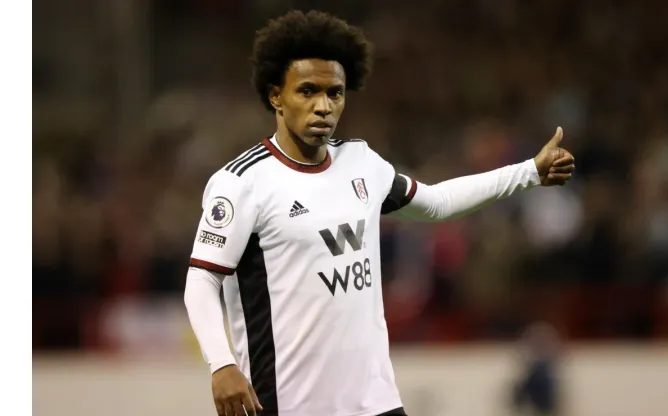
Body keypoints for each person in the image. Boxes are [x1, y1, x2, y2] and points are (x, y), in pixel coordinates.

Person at [183, 10, 575, 416]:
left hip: (376, 404)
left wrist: (529, 172)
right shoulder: (241, 183)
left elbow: (436, 202)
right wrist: (221, 363)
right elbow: (202, 279)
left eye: (335, 93)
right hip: (290, 405)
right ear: (275, 96)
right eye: (307, 91)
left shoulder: (361, 163)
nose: (323, 106)